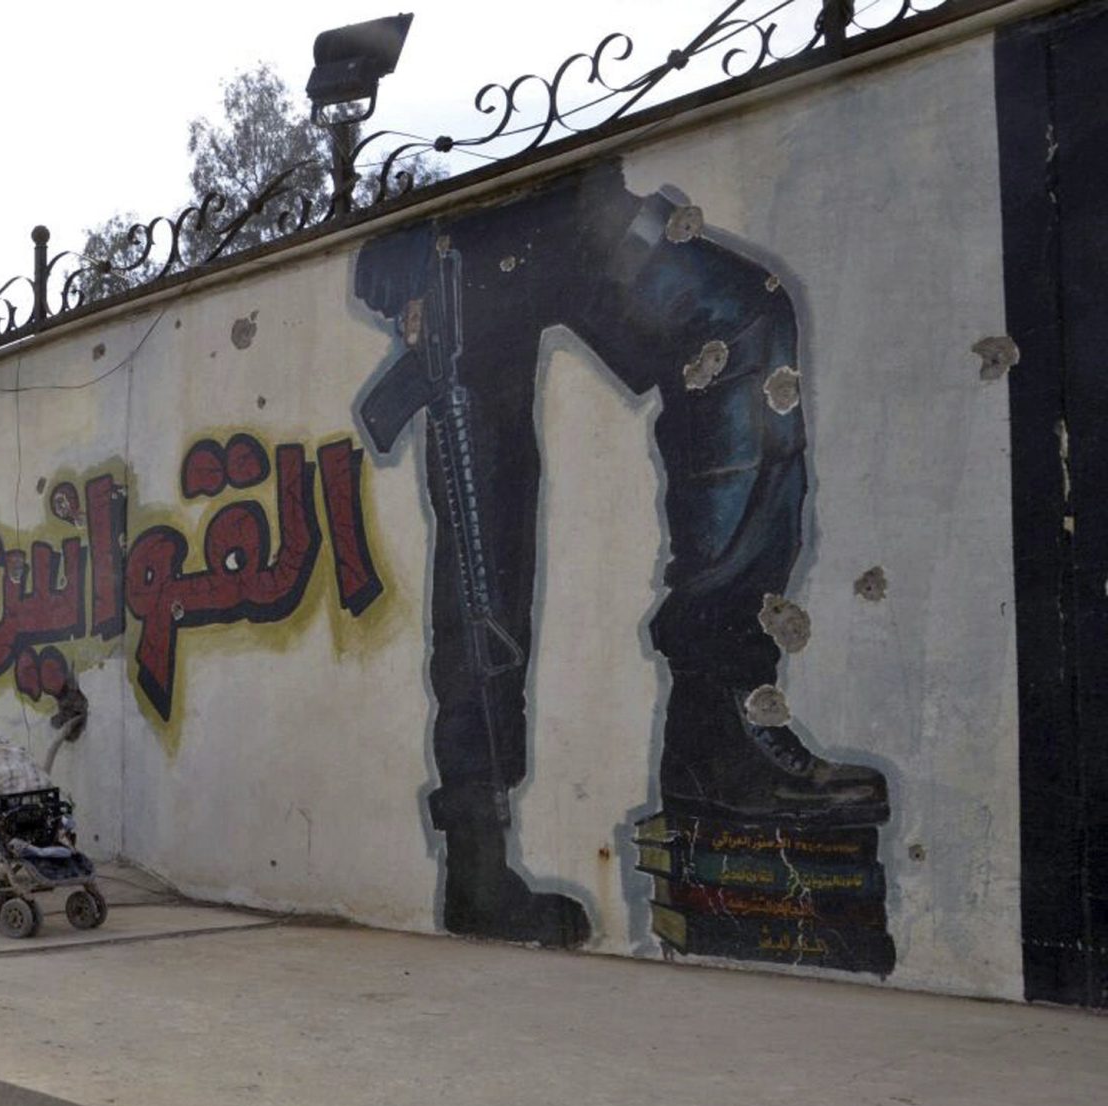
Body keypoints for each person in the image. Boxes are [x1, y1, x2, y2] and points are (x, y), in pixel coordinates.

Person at [350, 158, 888, 945]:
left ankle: (718, 721)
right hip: (455, 230)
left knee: (741, 318)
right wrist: (398, 240)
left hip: (567, 201)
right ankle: (476, 852)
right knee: (484, 536)